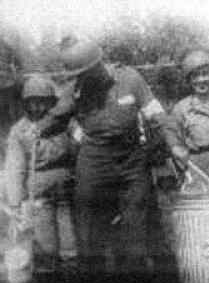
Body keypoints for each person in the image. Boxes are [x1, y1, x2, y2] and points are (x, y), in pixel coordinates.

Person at [59, 38, 171, 270]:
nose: (85, 77)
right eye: (80, 74)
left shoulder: (130, 78)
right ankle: (93, 281)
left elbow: (157, 115)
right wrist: (39, 128)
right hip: (95, 159)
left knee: (136, 224)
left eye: (88, 71)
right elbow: (57, 116)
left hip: (131, 158)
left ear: (98, 64)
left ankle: (135, 280)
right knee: (88, 219)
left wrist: (173, 144)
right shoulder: (75, 90)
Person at [5, 75, 77, 270]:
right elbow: (15, 168)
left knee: (71, 248)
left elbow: (81, 151)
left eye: (43, 102)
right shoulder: (19, 130)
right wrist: (15, 202)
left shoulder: (65, 124)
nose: (37, 108)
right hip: (38, 196)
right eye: (32, 103)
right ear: (25, 104)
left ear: (52, 103)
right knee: (46, 249)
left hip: (67, 194)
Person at [168, 49, 209, 192]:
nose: (201, 80)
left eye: (205, 74)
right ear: (189, 80)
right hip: (196, 168)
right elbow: (173, 139)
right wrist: (181, 158)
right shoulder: (181, 108)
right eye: (195, 76)